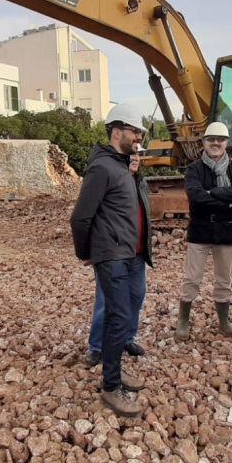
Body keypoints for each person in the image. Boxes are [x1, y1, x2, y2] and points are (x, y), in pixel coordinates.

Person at [70, 105, 150, 416]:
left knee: (126, 311)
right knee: (117, 317)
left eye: (140, 132)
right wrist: (85, 253)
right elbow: (80, 218)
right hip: (112, 255)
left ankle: (114, 366)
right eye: (135, 131)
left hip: (129, 253)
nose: (139, 136)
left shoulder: (122, 167)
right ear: (117, 131)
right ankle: (110, 385)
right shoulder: (102, 168)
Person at [175, 121, 232, 341]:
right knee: (192, 278)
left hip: (226, 232)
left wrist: (212, 192)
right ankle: (183, 322)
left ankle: (224, 322)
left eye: (220, 139)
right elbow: (196, 196)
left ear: (226, 143)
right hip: (200, 231)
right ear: (204, 142)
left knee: (224, 279)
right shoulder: (194, 169)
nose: (216, 143)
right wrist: (227, 198)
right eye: (211, 139)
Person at [86, 145, 151, 364]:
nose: (135, 158)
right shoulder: (108, 178)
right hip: (113, 253)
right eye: (130, 155)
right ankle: (96, 346)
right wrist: (87, 250)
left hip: (137, 253)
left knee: (136, 295)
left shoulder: (140, 182)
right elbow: (87, 214)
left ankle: (126, 338)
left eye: (137, 155)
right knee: (105, 301)